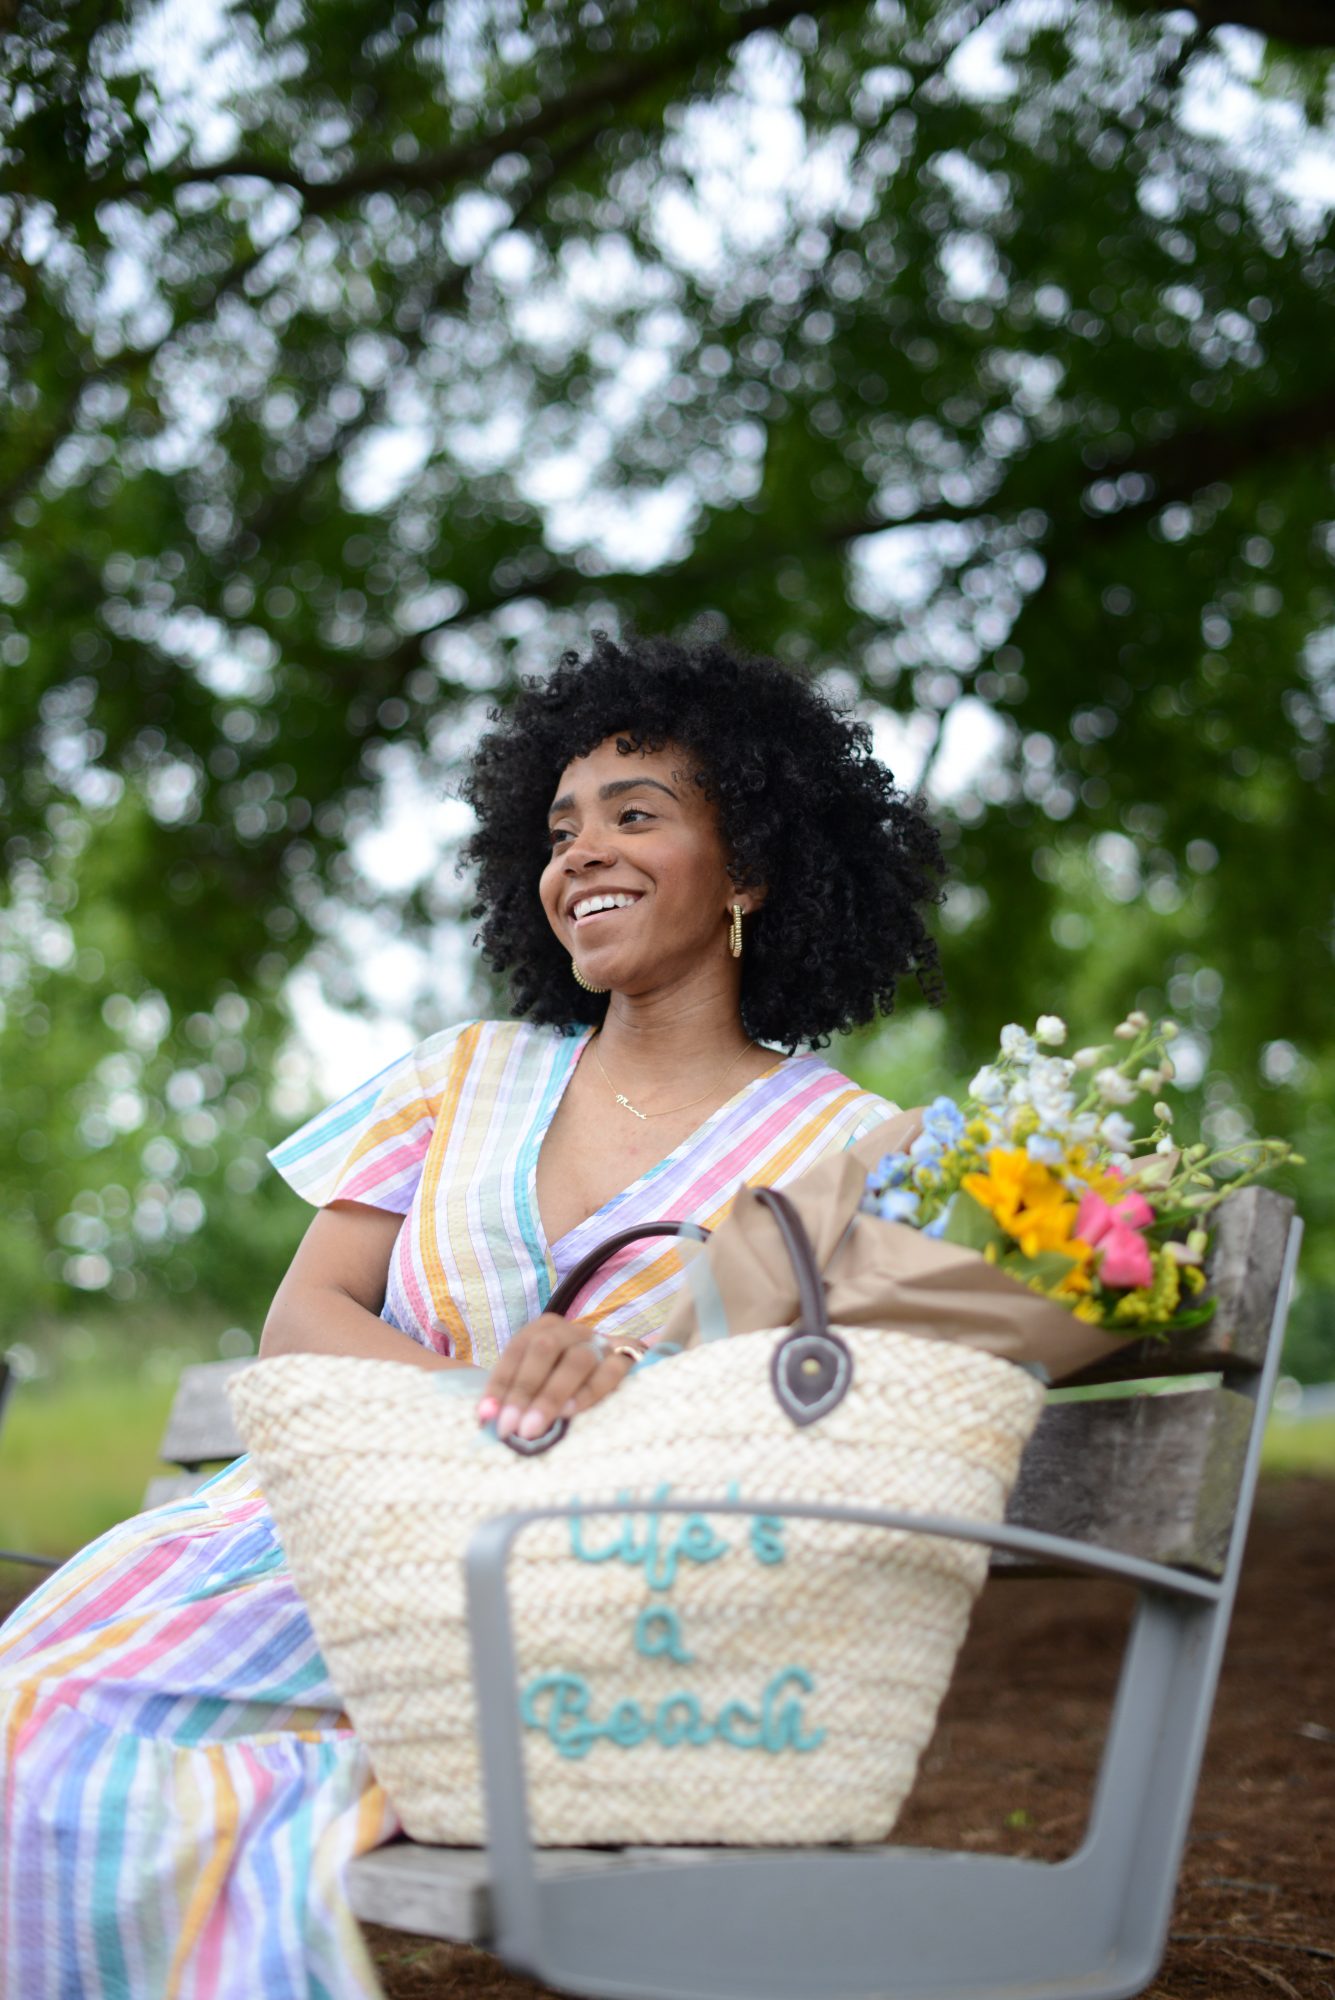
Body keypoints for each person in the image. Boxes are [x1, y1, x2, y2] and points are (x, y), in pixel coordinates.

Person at [0, 629, 945, 1998]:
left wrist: (621, 1384)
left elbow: (801, 1424)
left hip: (569, 1593)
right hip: (309, 1538)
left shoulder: (850, 1145)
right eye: (561, 830)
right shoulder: (464, 1075)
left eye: (638, 814)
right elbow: (305, 1316)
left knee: (45, 1739)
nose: (584, 854)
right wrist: (487, 1401)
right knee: (31, 1723)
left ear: (748, 866)